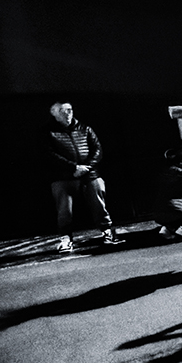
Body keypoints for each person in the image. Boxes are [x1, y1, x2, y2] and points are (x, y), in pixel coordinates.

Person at [46, 101, 124, 252]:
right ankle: (66, 239)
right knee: (64, 210)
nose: (68, 113)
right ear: (54, 114)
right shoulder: (47, 132)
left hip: (90, 174)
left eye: (70, 110)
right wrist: (73, 168)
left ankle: (107, 232)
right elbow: (49, 155)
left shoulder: (85, 128)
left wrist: (87, 167)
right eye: (63, 111)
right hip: (63, 177)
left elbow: (97, 149)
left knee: (99, 205)